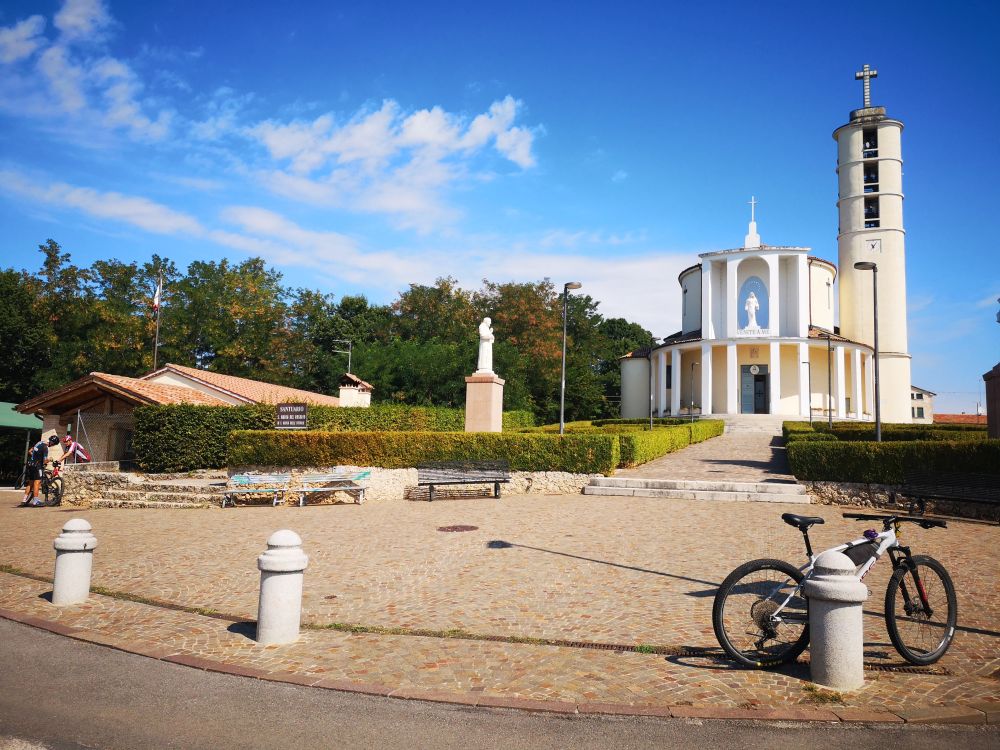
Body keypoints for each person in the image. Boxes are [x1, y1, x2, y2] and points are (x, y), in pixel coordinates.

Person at [21, 435, 59, 507]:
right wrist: (50, 459)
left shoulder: (39, 443)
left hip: (30, 464)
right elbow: (44, 461)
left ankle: (24, 499)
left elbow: (30, 451)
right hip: (37, 466)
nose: (52, 446)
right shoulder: (45, 448)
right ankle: (36, 501)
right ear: (52, 443)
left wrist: (36, 458)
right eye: (54, 444)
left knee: (30, 482)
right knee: (37, 483)